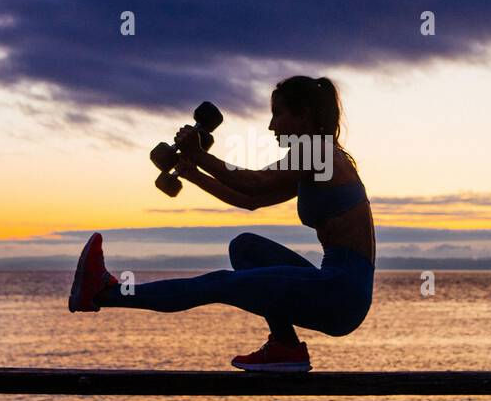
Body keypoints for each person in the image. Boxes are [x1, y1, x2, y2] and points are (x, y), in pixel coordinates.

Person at [68, 75, 375, 372]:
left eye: (277, 114)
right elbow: (250, 199)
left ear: (303, 114)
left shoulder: (317, 153)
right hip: (339, 290)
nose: (271, 125)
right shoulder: (317, 159)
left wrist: (199, 154)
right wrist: (193, 171)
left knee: (218, 284)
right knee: (246, 248)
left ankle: (104, 293)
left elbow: (253, 182)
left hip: (340, 293)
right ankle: (286, 347)